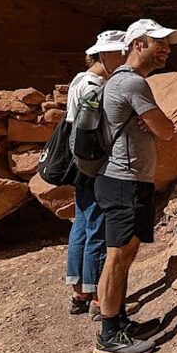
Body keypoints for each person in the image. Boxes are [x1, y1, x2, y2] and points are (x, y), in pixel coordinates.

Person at [93, 19, 177, 353]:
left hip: (124, 180)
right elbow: (168, 130)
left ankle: (119, 321)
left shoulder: (122, 82)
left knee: (123, 256)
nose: (167, 50)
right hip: (124, 180)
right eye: (159, 43)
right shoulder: (132, 84)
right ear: (138, 43)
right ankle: (109, 336)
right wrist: (159, 122)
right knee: (117, 256)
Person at [64, 31, 126, 317]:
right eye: (119, 53)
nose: (125, 58)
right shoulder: (93, 87)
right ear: (104, 55)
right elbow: (95, 128)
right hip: (92, 163)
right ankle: (99, 297)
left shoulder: (79, 80)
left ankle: (79, 292)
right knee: (98, 228)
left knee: (81, 224)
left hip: (78, 163)